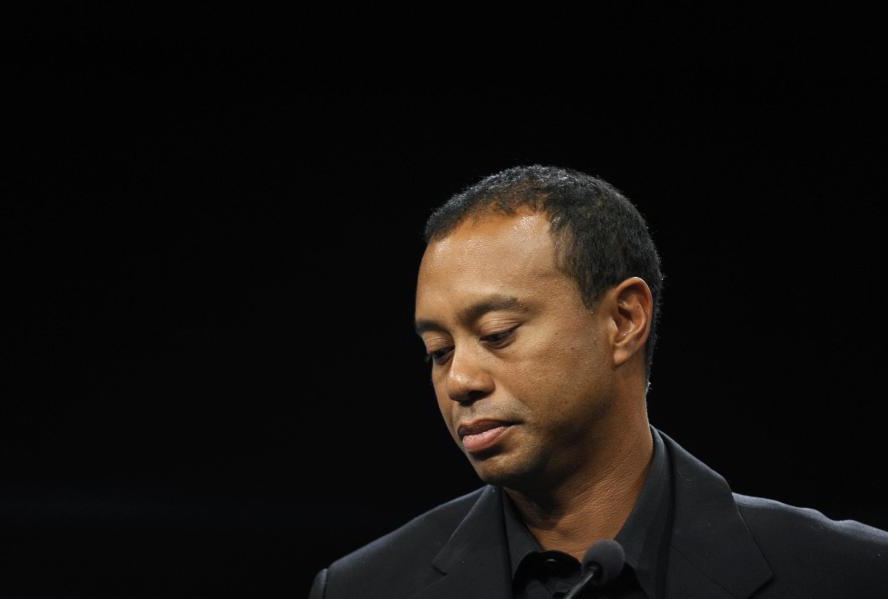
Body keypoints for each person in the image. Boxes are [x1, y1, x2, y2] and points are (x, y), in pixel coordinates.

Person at [308, 165, 888, 598]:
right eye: (437, 351)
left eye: (498, 332)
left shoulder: (848, 575)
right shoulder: (363, 588)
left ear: (623, 321)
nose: (459, 379)